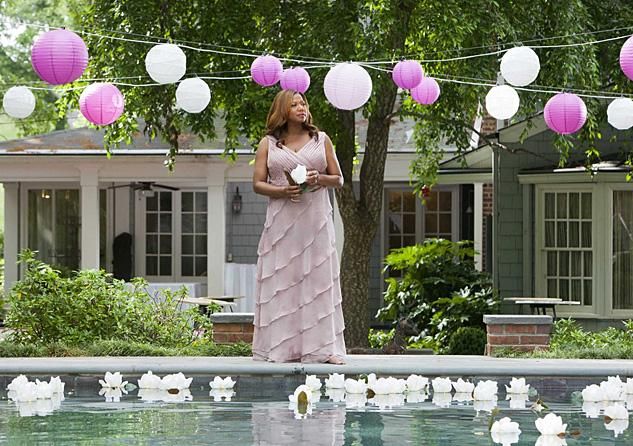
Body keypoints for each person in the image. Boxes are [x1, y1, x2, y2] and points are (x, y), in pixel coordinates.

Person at [251, 89, 346, 364]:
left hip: (315, 221)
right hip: (282, 222)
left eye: (303, 103)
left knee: (317, 281)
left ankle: (323, 349)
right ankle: (282, 348)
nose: (301, 108)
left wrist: (319, 178)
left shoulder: (321, 139)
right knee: (284, 282)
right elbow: (257, 183)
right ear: (283, 110)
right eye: (294, 105)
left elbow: (338, 179)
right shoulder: (268, 144)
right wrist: (282, 191)